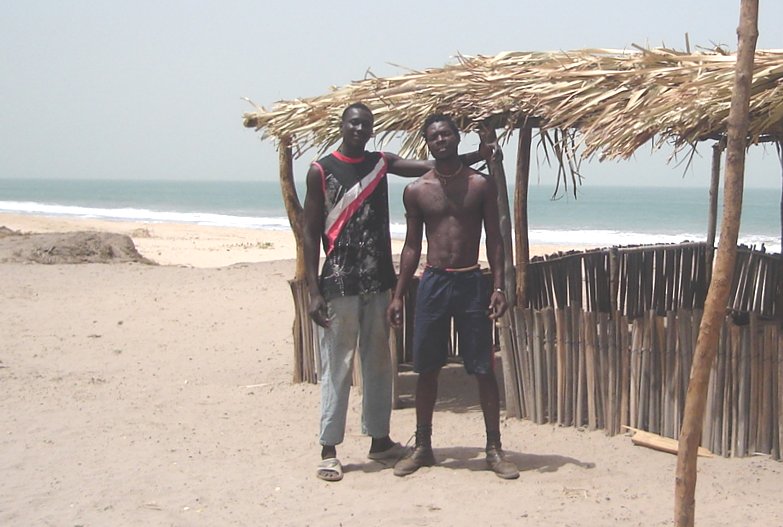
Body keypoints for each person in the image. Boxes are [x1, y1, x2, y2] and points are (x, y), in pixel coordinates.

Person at [304, 103, 490, 482]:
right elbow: (308, 234)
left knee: (378, 363)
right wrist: (312, 289)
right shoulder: (320, 170)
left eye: (366, 125)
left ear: (372, 130)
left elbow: (435, 165)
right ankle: (329, 448)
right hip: (338, 282)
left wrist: (478, 155)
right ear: (342, 126)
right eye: (353, 123)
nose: (359, 129)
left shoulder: (380, 163)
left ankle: (380, 440)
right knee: (337, 365)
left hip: (378, 282)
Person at [387, 113, 519, 479]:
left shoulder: (481, 185)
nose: (441, 139)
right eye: (434, 136)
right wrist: (399, 294)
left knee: (482, 367)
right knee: (426, 367)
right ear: (427, 143)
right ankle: (424, 447)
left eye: (446, 133)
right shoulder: (417, 190)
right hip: (432, 284)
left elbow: (495, 237)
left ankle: (493, 448)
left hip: (471, 283)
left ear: (458, 138)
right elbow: (412, 246)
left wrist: (498, 285)